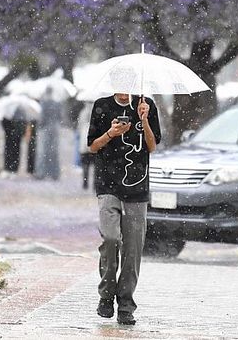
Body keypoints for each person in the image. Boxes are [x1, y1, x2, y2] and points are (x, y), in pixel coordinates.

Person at [88, 93, 161, 326]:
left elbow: (152, 146)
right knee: (110, 239)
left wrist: (145, 120)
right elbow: (92, 146)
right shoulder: (101, 106)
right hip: (108, 185)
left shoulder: (146, 104)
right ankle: (106, 296)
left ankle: (126, 304)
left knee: (133, 248)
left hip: (137, 188)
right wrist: (111, 133)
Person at [35, 88, 62, 180]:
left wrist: (39, 126)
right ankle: (54, 173)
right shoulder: (57, 103)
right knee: (53, 151)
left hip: (45, 129)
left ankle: (41, 173)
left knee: (43, 151)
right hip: (55, 128)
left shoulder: (44, 103)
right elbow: (60, 117)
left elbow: (41, 117)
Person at [0, 108, 27, 177]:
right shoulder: (8, 112)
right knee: (10, 153)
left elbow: (23, 126)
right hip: (11, 138)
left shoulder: (20, 113)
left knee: (13, 153)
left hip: (15, 138)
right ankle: (9, 169)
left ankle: (12, 169)